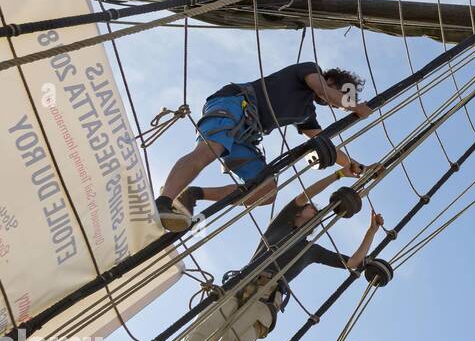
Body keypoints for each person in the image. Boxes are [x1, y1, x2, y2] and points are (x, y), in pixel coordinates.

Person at [144, 173, 386, 341]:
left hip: (267, 297)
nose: (312, 208)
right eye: (310, 207)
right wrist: (338, 174)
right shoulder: (279, 225)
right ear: (297, 213)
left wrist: (371, 231)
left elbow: (351, 263)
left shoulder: (311, 250)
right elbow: (305, 194)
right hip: (239, 284)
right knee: (202, 331)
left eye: (315, 209)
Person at [154, 62, 374, 232]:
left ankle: (193, 194)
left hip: (248, 134)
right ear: (332, 79)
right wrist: (353, 106)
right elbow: (321, 88)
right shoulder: (310, 70)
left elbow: (324, 142)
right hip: (237, 103)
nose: (334, 101)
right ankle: (163, 202)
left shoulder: (307, 113)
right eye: (341, 93)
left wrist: (352, 165)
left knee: (266, 192)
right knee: (210, 149)